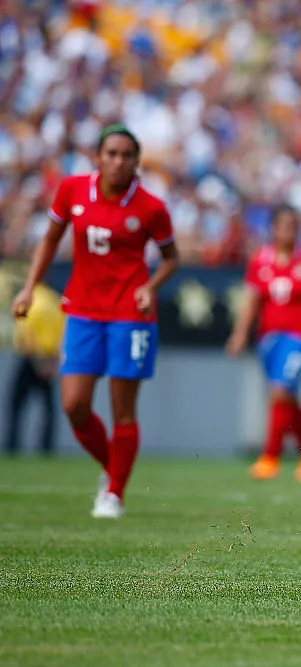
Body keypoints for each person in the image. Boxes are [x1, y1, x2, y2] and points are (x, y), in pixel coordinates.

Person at [12, 124, 179, 518]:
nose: (119, 161)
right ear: (97, 158)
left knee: (123, 409)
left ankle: (114, 493)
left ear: (137, 163)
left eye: (126, 155)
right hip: (84, 310)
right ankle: (112, 468)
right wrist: (29, 288)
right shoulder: (71, 189)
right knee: (74, 405)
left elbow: (172, 259)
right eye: (111, 154)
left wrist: (150, 286)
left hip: (130, 314)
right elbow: (50, 240)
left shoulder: (151, 207)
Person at [226, 205, 301, 482]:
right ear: (273, 228)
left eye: (292, 225)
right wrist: (240, 334)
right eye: (282, 225)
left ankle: (270, 457)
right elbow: (251, 301)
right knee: (286, 396)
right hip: (269, 338)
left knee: (281, 390)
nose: (287, 231)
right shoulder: (260, 260)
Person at [5, 283, 64, 456]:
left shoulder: (28, 301)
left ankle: (12, 447)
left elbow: (25, 334)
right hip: (49, 360)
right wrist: (50, 363)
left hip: (30, 359)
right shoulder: (54, 301)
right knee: (48, 410)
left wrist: (37, 362)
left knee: (15, 406)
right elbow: (62, 333)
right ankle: (47, 448)